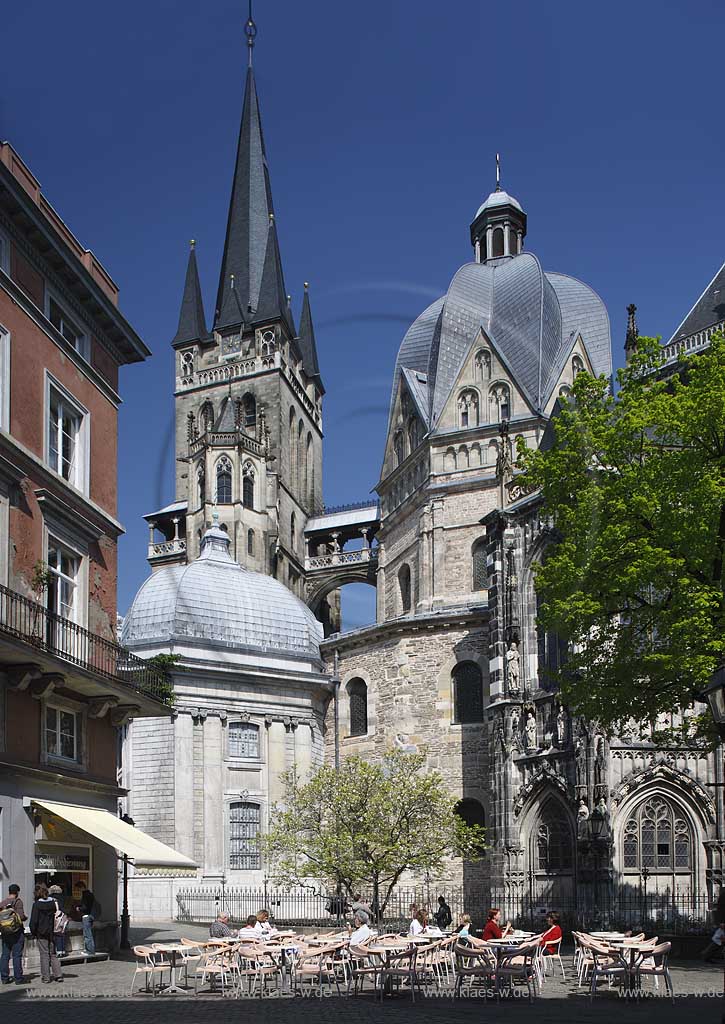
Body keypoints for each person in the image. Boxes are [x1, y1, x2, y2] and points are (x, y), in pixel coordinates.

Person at [30, 883, 63, 984]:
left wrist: (33, 932)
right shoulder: (53, 903)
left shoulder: (37, 905)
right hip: (52, 931)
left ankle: (46, 977)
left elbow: (34, 921)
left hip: (41, 932)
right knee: (53, 954)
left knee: (44, 955)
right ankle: (58, 975)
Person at [0, 883, 27, 985]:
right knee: (16, 955)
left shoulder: (2, 903)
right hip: (17, 932)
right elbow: (20, 917)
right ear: (17, 892)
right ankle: (18, 978)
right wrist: (25, 917)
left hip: (5, 932)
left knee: (5, 955)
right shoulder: (18, 902)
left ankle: (4, 978)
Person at [76, 890, 100, 956]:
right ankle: (89, 950)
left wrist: (79, 908)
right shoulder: (91, 895)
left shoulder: (85, 896)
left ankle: (89, 951)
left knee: (87, 934)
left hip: (86, 916)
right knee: (89, 934)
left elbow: (85, 907)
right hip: (91, 916)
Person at [48, 885, 68, 957]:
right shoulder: (63, 897)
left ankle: (58, 950)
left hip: (56, 917)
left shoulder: (51, 898)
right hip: (64, 916)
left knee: (56, 934)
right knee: (62, 933)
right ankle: (62, 950)